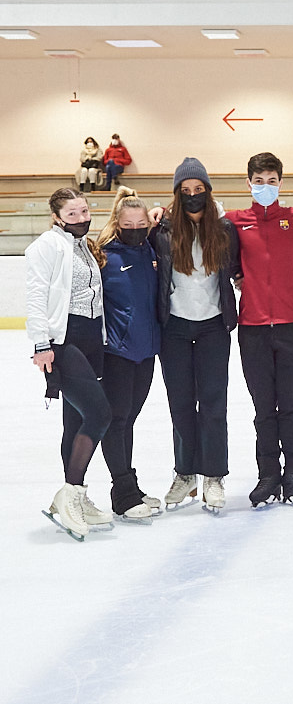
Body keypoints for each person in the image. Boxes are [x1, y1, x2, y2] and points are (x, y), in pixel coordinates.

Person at [226, 152, 293, 508]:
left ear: (281, 182)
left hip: (292, 325)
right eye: (259, 181)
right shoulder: (233, 221)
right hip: (252, 328)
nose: (266, 187)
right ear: (248, 183)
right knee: (264, 408)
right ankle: (267, 475)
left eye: (272, 181)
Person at [152, 157, 239, 514]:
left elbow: (237, 269)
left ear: (207, 190)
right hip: (173, 327)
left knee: (214, 405)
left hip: (213, 327)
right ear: (177, 193)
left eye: (198, 189)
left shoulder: (224, 229)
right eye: (185, 191)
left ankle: (214, 476)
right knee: (181, 405)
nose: (192, 196)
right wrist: (156, 211)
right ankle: (185, 472)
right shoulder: (162, 230)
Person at [27, 188, 113, 540]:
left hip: (93, 337)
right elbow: (35, 295)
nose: (82, 218)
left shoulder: (84, 246)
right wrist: (41, 344)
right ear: (58, 217)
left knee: (75, 419)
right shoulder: (47, 246)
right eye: (73, 214)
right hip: (65, 341)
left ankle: (71, 493)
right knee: (100, 414)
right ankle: (71, 495)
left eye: (85, 211)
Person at [96, 187, 161, 521]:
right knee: (116, 421)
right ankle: (122, 492)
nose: (136, 227)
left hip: (147, 352)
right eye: (128, 222)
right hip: (116, 353)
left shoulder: (151, 249)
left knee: (129, 420)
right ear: (117, 222)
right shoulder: (104, 255)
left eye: (141, 221)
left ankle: (130, 487)